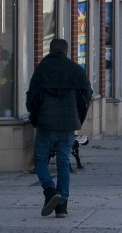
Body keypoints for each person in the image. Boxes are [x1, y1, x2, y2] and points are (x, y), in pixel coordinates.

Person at [25, 38, 92, 218]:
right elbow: (87, 96)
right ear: (66, 51)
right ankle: (62, 206)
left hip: (46, 122)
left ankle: (49, 190)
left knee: (40, 159)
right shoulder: (76, 70)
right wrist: (78, 117)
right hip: (68, 123)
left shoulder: (42, 70)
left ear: (50, 50)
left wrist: (35, 116)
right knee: (63, 161)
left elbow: (32, 97)